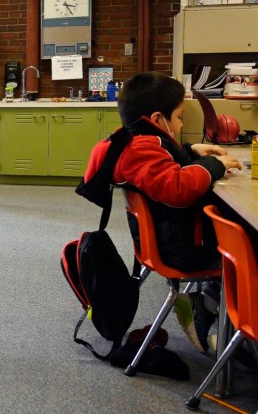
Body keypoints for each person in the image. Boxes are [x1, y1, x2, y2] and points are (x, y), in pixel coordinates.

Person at [83, 71, 242, 353]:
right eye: (179, 117)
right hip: (181, 248)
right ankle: (216, 312)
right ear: (158, 120)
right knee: (246, 251)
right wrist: (213, 165)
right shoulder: (141, 150)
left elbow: (163, 161)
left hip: (170, 238)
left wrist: (191, 150)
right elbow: (177, 187)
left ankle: (207, 303)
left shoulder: (134, 141)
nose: (181, 123)